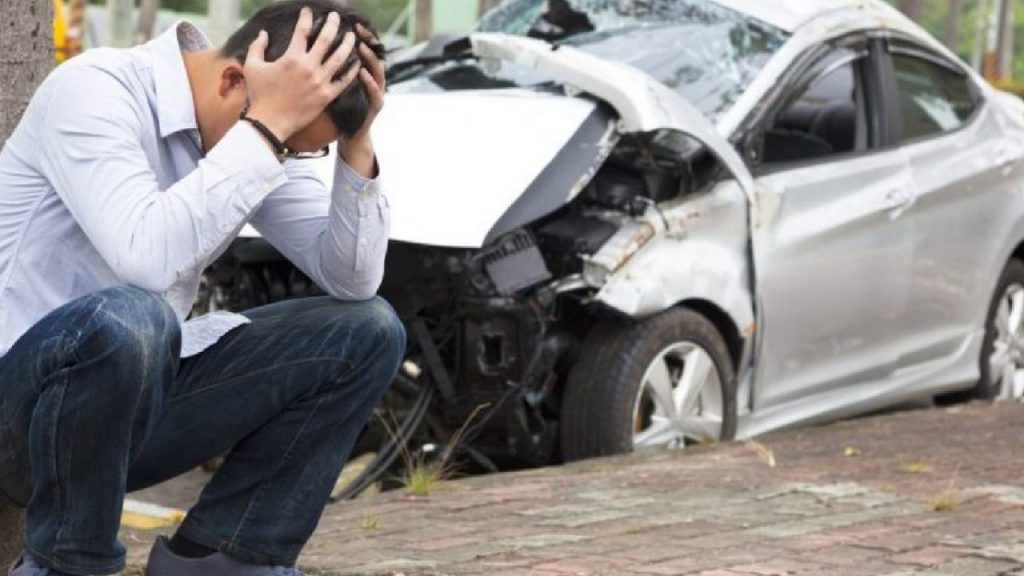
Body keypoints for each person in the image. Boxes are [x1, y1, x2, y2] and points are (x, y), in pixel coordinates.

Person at [0, 1, 405, 574]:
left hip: (125, 420)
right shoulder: (95, 90)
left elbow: (353, 278)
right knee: (132, 319)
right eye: (287, 142)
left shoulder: (254, 128)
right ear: (235, 79)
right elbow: (146, 258)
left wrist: (356, 143)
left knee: (368, 330)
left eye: (297, 148)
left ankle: (224, 560)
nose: (283, 156)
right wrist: (266, 132)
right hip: (19, 413)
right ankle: (65, 566)